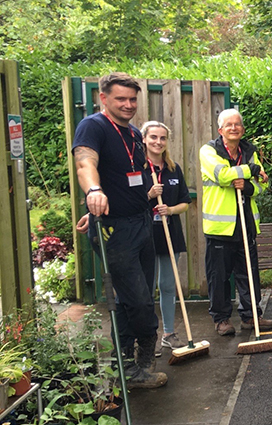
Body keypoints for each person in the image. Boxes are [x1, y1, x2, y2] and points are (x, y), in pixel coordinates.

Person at [73, 72, 166, 389]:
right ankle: (140, 358)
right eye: (120, 99)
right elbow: (86, 163)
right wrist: (93, 193)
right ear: (104, 99)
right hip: (115, 231)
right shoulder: (93, 126)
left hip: (141, 223)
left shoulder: (134, 134)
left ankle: (126, 367)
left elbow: (130, 176)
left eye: (132, 99)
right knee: (138, 300)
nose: (128, 105)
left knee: (135, 297)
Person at [199, 109, 272, 336]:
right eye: (229, 125)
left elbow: (263, 183)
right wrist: (249, 170)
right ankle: (221, 319)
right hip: (220, 227)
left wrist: (249, 185)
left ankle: (251, 316)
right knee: (219, 277)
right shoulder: (209, 150)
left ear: (242, 129)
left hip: (246, 225)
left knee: (249, 274)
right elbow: (222, 176)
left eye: (238, 125)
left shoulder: (249, 152)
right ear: (220, 130)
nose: (234, 128)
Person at [141, 121, 192, 356]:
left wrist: (170, 210)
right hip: (145, 236)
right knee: (146, 288)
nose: (158, 142)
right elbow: (128, 202)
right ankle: (146, 337)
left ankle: (169, 334)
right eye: (153, 137)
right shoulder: (137, 168)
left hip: (170, 232)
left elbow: (185, 202)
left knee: (168, 285)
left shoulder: (173, 169)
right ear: (144, 139)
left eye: (162, 138)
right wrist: (148, 195)